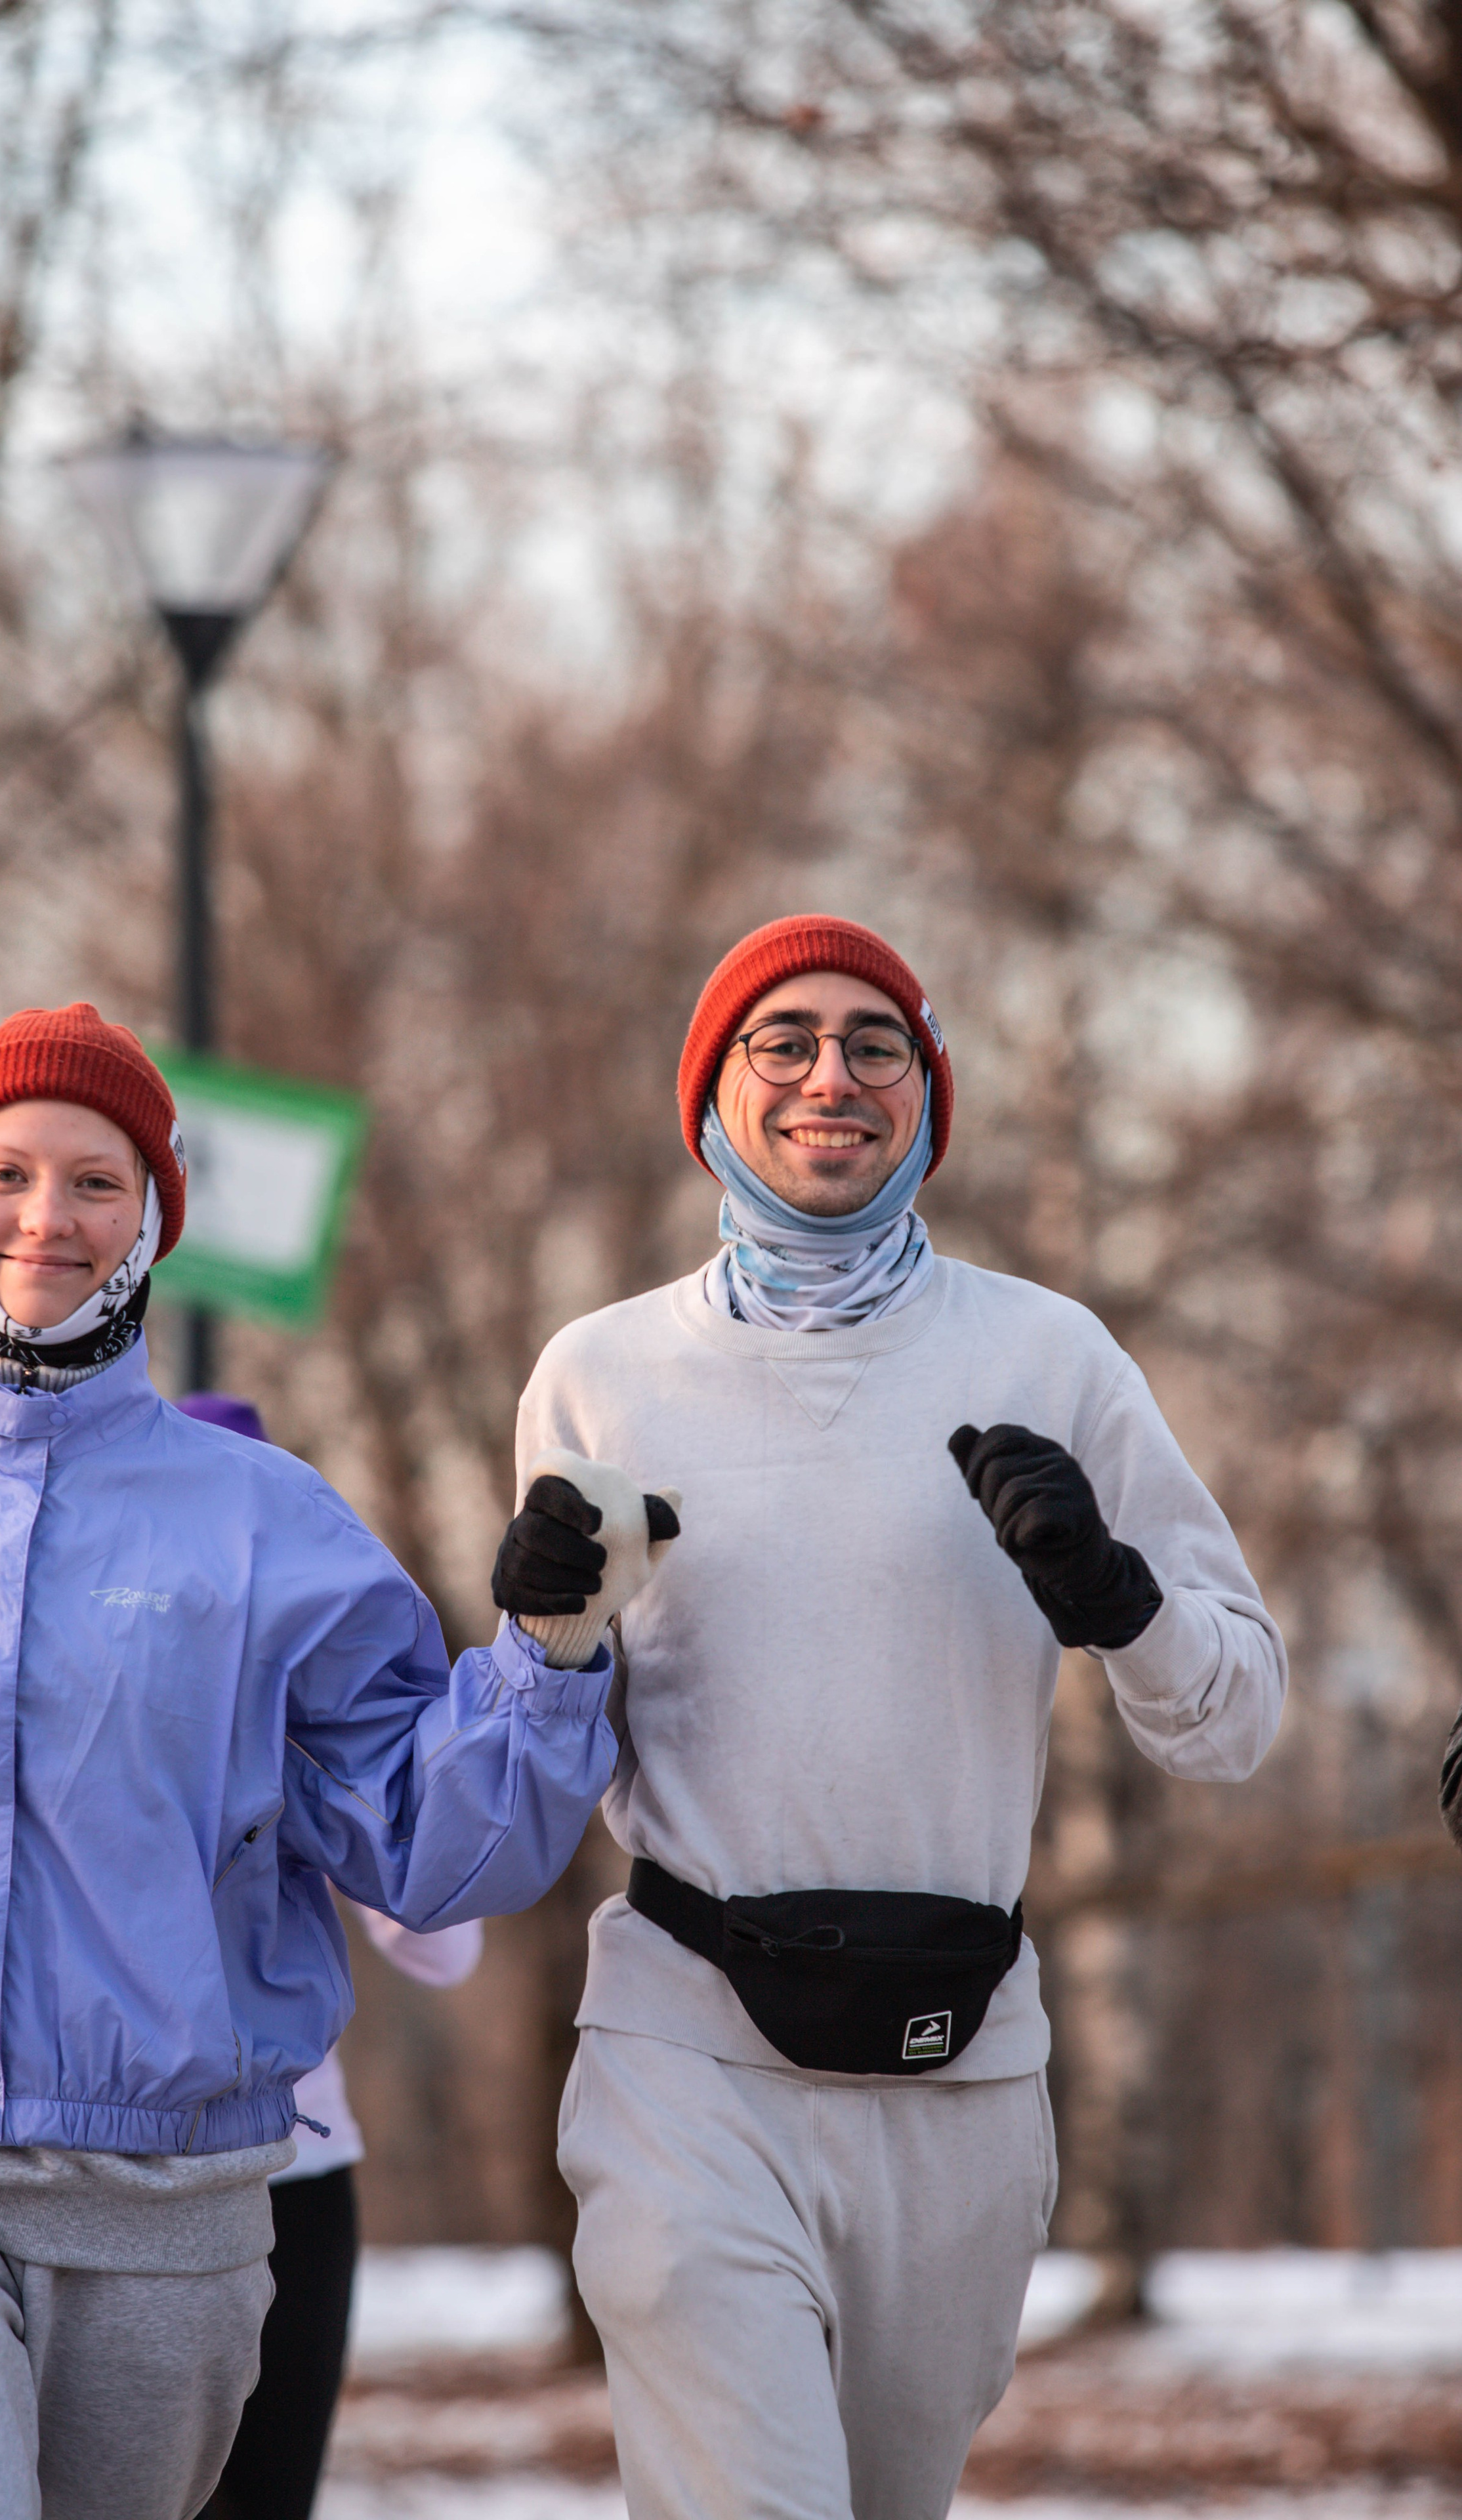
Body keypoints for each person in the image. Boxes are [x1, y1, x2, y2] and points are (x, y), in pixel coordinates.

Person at [0, 1002, 676, 2520]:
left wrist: (545, 1656)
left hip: (174, 2203)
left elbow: (425, 1846)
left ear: (151, 1224)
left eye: (94, 1182)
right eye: (5, 1173)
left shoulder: (268, 1525)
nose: (43, 1219)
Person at [505, 915, 1288, 2520]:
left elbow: (1235, 1717)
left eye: (874, 1045)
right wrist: (544, 1641)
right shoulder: (598, 1370)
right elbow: (545, 1735)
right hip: (686, 2047)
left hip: (958, 2071)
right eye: (777, 1042)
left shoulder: (1046, 1354)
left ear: (924, 1094)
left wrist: (1116, 1597)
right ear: (711, 1095)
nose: (827, 1078)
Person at [178, 1394, 484, 2520]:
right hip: (109, 2172)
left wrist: (386, 1781)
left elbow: (443, 1943)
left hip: (295, 2172)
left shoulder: (310, 1715)